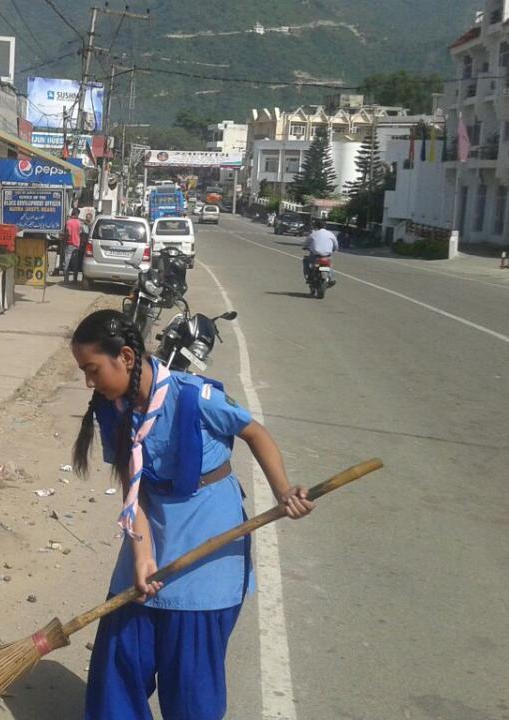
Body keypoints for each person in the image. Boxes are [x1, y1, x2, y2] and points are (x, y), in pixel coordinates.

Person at [70, 310, 313, 720]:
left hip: (207, 547)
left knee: (191, 689)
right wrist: (142, 553)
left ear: (126, 357)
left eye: (92, 370)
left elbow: (254, 432)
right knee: (118, 668)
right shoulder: (112, 410)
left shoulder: (194, 397)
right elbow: (134, 487)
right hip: (151, 530)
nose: (88, 382)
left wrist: (283, 490)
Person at [63, 208, 83, 283]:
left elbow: (69, 233)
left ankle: (66, 280)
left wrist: (64, 239)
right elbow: (80, 233)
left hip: (69, 244)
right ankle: (75, 280)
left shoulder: (68, 222)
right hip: (77, 245)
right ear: (77, 214)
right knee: (75, 263)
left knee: (67, 262)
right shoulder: (79, 223)